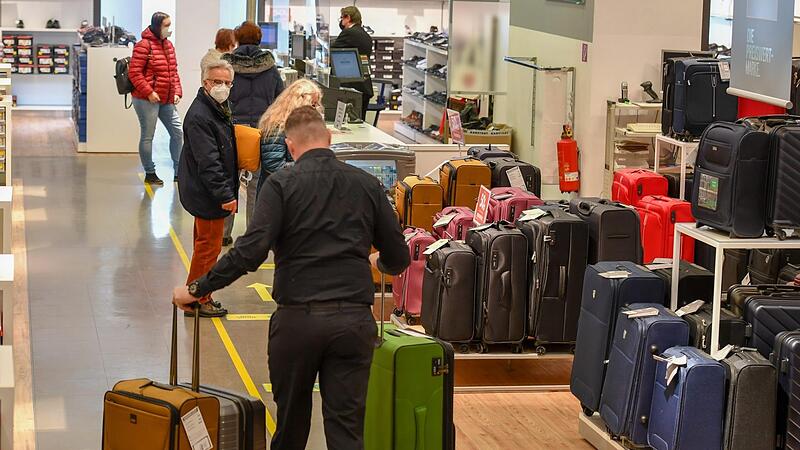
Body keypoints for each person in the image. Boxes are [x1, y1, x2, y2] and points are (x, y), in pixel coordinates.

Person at [172, 106, 409, 449]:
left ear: (290, 145)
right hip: (353, 322)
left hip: (298, 322)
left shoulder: (281, 184)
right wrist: (377, 261)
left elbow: (249, 252)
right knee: (346, 430)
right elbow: (399, 258)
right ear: (329, 139)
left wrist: (197, 288)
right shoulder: (367, 184)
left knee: (291, 427)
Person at [176, 59, 238, 318]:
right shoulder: (201, 115)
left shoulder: (216, 108)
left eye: (227, 83)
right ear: (205, 83)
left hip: (205, 191)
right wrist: (225, 195)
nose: (223, 87)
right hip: (208, 193)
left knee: (204, 246)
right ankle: (197, 299)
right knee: (208, 249)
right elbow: (209, 162)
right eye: (217, 82)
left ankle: (196, 295)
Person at [220, 21, 285, 246]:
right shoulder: (271, 68)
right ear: (259, 39)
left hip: (233, 131)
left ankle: (224, 233)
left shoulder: (227, 67)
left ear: (237, 39)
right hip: (260, 131)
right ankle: (253, 235)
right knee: (256, 185)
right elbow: (280, 100)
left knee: (230, 181)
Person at [129, 12, 183, 185]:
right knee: (148, 136)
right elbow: (134, 73)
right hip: (146, 99)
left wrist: (177, 91)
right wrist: (149, 92)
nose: (169, 29)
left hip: (166, 98)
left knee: (178, 132)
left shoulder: (169, 45)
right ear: (157, 26)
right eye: (166, 25)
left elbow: (173, 72)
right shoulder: (143, 45)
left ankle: (179, 172)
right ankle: (150, 172)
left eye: (169, 25)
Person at [255, 78, 322, 194]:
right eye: (312, 104)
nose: (315, 109)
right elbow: (274, 165)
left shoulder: (303, 124)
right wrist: (308, 165)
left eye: (316, 104)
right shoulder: (277, 126)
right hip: (278, 192)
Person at [331, 6, 373, 120]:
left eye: (342, 18)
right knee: (360, 122)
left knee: (349, 123)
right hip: (364, 86)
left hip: (351, 87)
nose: (341, 22)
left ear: (348, 18)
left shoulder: (349, 33)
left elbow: (332, 50)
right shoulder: (365, 35)